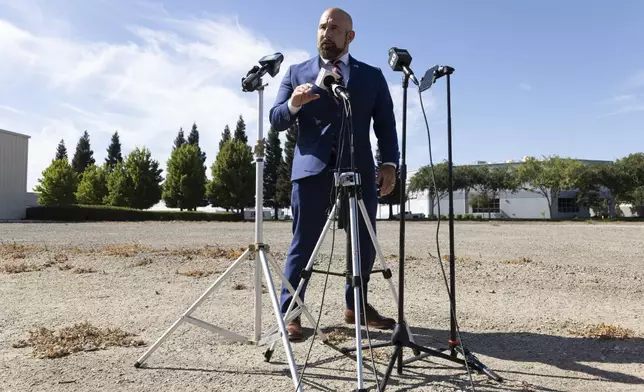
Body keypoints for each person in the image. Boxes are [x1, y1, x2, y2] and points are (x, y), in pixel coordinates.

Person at [269, 7, 400, 341]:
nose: (326, 33)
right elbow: (277, 117)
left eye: (334, 28)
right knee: (304, 244)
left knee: (363, 243)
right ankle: (292, 313)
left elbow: (385, 123)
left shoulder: (370, 76)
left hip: (358, 169)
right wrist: (295, 103)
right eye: (322, 27)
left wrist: (389, 164)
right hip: (311, 171)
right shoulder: (297, 72)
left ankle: (356, 305)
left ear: (349, 36)